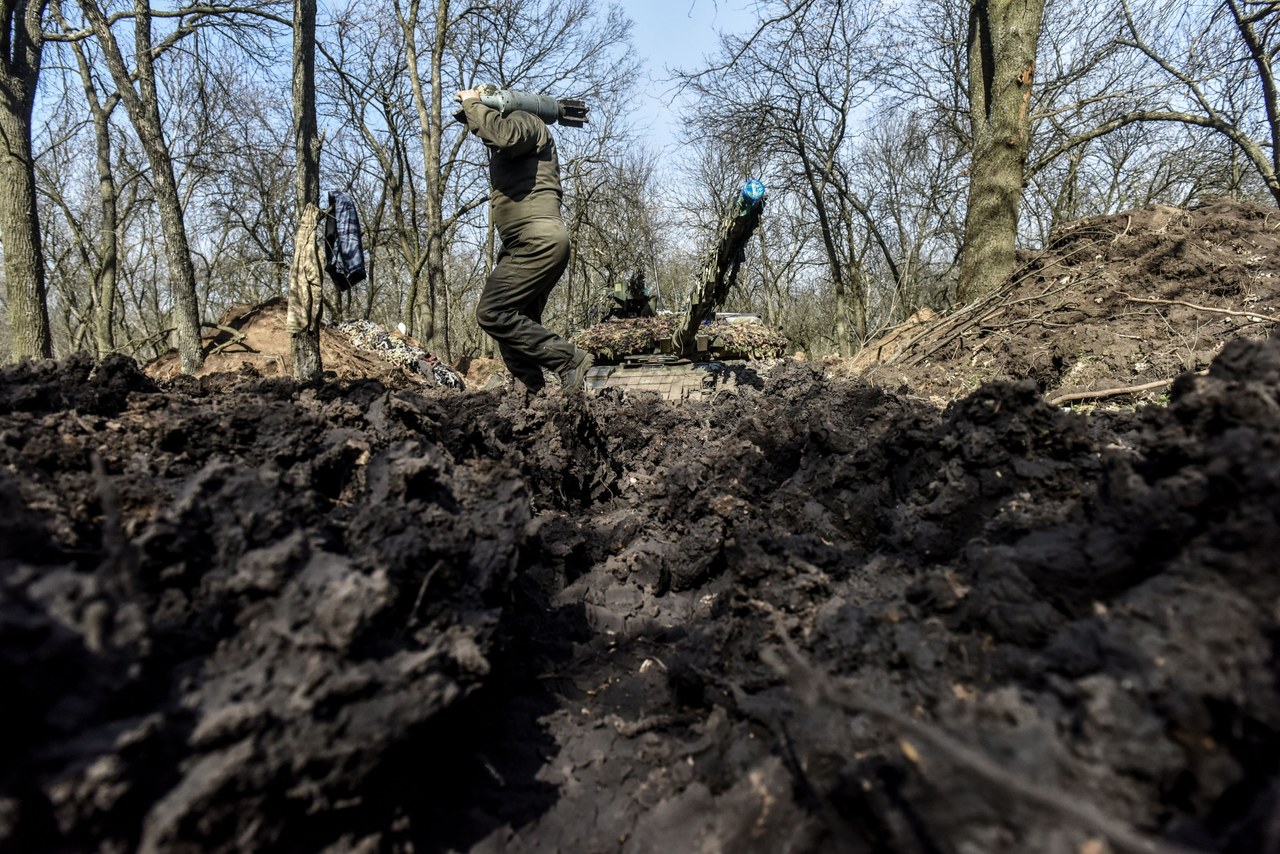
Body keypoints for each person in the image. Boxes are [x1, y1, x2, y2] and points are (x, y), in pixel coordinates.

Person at [454, 88, 594, 392]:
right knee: (515, 326)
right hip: (525, 242)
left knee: (493, 312)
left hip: (536, 240)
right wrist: (471, 110)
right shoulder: (518, 132)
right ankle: (530, 395)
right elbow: (497, 136)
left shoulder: (526, 120)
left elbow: (503, 135)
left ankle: (570, 360)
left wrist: (471, 102)